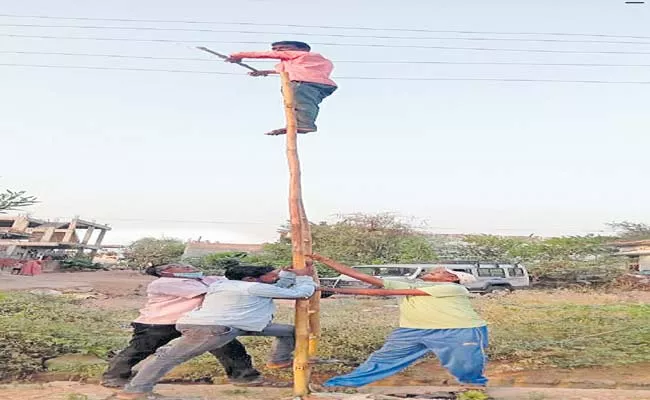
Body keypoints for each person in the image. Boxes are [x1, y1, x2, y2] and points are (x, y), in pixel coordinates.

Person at [117, 265, 317, 399]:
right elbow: (301, 293)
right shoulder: (252, 288)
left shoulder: (228, 284)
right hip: (212, 328)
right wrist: (305, 278)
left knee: (289, 331)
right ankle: (136, 390)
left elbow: (277, 286)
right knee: (169, 358)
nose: (276, 277)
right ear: (250, 278)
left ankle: (279, 360)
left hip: (238, 324)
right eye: (272, 275)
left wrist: (290, 274)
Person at [309, 254, 489, 389]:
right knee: (383, 359)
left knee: (466, 364)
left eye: (438, 272)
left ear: (453, 278)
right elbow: (364, 278)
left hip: (457, 330)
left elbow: (383, 293)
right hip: (411, 331)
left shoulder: (453, 288)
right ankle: (340, 385)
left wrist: (322, 289)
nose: (432, 272)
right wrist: (325, 260)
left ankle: (474, 388)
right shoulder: (412, 285)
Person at [101, 262, 264, 388]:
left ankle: (244, 376)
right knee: (139, 349)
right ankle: (114, 377)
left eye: (185, 265)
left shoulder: (206, 279)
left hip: (198, 322)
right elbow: (213, 292)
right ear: (165, 272)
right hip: (161, 322)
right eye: (177, 267)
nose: (186, 267)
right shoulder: (163, 283)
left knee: (228, 346)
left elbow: (236, 282)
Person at [227, 41, 337, 135]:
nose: (278, 51)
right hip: (322, 85)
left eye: (283, 48)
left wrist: (238, 55)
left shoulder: (297, 55)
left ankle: (305, 124)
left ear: (302, 49)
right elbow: (302, 70)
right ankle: (296, 124)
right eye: (275, 49)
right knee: (303, 103)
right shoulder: (317, 60)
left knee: (301, 101)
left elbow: (264, 54)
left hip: (303, 82)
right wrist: (267, 72)